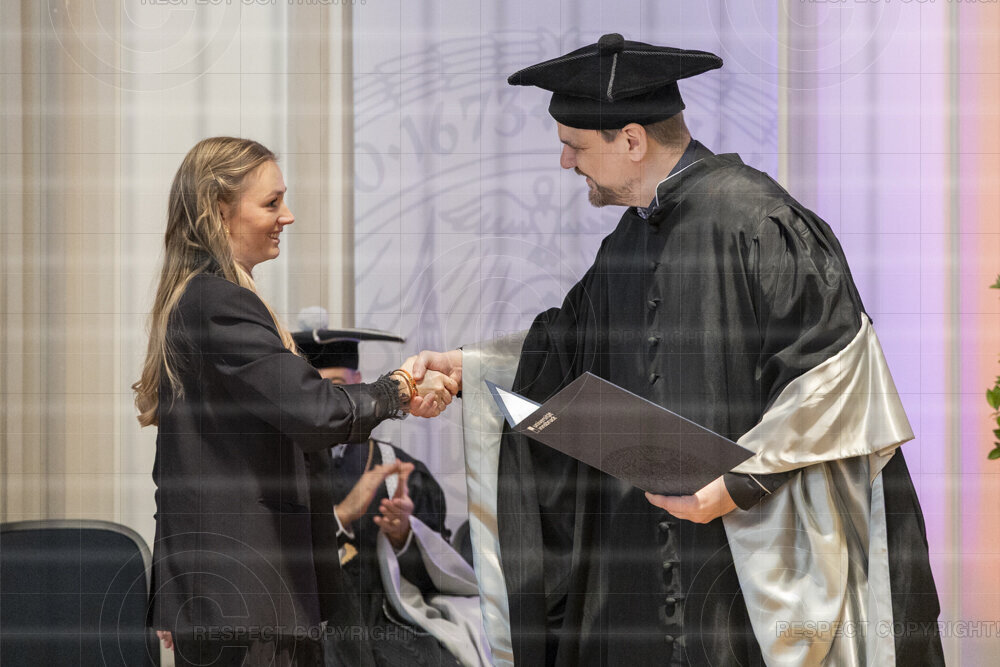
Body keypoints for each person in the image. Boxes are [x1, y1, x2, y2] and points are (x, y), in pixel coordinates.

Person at [412, 34, 944, 667]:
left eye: (575, 145)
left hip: (751, 562)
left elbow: (837, 378)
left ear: (631, 141)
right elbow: (566, 349)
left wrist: (739, 484)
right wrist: (466, 368)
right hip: (638, 567)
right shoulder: (625, 243)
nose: (565, 162)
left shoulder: (762, 222)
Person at [132, 136, 455, 667]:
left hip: (234, 596)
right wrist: (400, 387)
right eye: (271, 202)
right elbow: (315, 412)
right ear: (219, 210)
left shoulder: (201, 297)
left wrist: (182, 589)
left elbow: (180, 470)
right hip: (246, 598)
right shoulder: (219, 301)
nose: (288, 216)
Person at [289, 316, 492, 666]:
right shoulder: (281, 469)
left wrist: (403, 535)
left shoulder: (397, 468)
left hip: (386, 621)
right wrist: (341, 517)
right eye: (318, 394)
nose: (328, 407)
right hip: (314, 626)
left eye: (337, 389)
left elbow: (439, 577)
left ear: (357, 383)